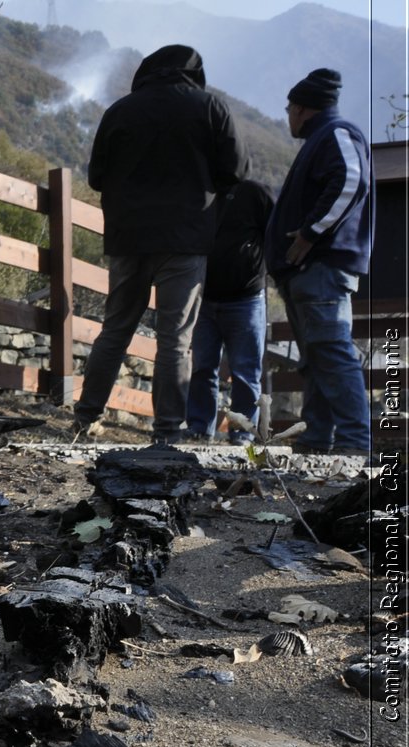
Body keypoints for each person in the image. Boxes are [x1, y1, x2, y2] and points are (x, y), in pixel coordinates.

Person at [72, 44, 246, 444]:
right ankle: (167, 431)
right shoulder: (210, 108)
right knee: (175, 339)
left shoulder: (120, 110)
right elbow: (237, 169)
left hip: (128, 237)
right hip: (184, 239)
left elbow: (96, 176)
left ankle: (85, 419)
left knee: (115, 329)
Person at [266, 68, 374, 455]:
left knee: (330, 350)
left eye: (288, 108)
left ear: (300, 108)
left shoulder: (336, 133)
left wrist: (312, 233)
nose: (287, 116)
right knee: (316, 357)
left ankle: (353, 444)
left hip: (322, 268)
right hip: (308, 270)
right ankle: (317, 440)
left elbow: (351, 181)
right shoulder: (324, 137)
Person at [187, 179, 275, 444]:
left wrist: (263, 271)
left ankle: (243, 435)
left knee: (246, 371)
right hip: (204, 295)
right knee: (202, 367)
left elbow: (275, 231)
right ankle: (200, 429)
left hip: (246, 297)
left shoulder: (255, 192)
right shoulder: (200, 190)